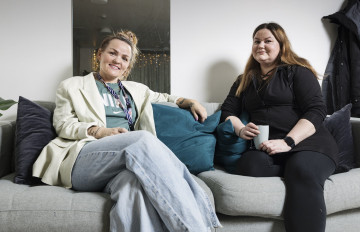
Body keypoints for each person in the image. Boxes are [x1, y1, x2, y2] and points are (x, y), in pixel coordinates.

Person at [32, 30, 221, 232]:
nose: (117, 61)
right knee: (141, 139)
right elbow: (63, 124)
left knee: (133, 186)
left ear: (127, 65)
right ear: (99, 54)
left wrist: (189, 101)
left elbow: (165, 97)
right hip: (84, 158)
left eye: (124, 58)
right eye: (112, 53)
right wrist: (100, 131)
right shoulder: (72, 85)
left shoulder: (136, 89)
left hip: (123, 165)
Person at [220, 22, 338, 232]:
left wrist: (288, 142)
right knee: (248, 165)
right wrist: (240, 129)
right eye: (257, 41)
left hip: (308, 144)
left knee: (301, 168)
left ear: (281, 45)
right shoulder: (244, 80)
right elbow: (228, 112)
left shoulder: (297, 72)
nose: (260, 45)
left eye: (268, 41)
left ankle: (303, 170)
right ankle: (293, 168)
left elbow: (316, 110)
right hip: (270, 148)